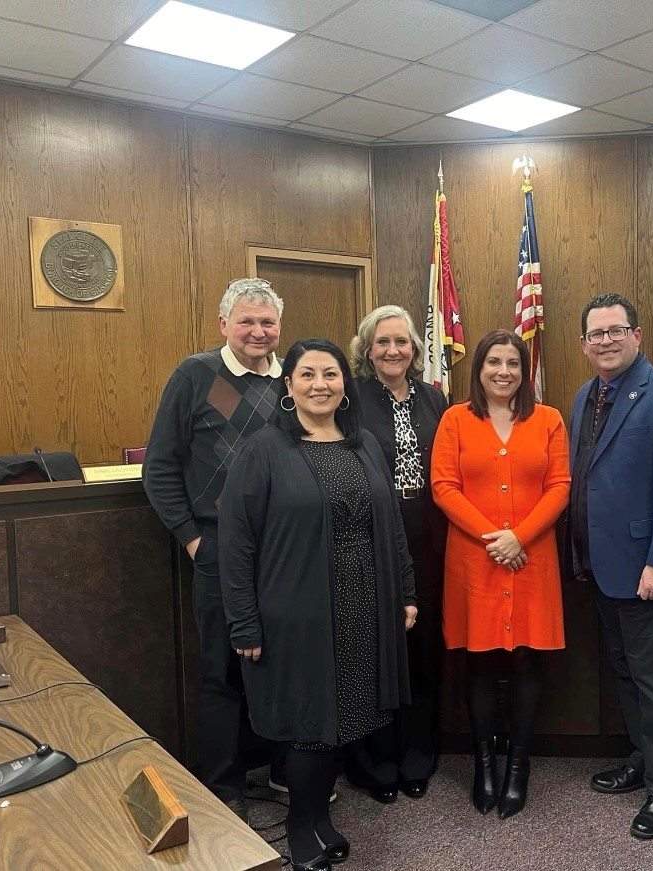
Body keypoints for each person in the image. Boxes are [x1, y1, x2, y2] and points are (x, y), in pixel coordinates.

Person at [218, 338, 416, 871]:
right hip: (295, 612)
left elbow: (392, 526)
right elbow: (236, 543)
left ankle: (321, 820)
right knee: (309, 723)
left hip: (362, 607)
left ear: (344, 385)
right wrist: (244, 623)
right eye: (307, 375)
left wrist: (406, 591)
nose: (320, 384)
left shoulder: (365, 445)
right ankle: (299, 829)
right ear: (289, 386)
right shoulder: (264, 450)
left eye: (330, 374)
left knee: (346, 717)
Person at [143, 277, 283, 821]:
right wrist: (195, 540)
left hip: (283, 553)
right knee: (222, 672)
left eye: (266, 322)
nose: (257, 331)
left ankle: (280, 772)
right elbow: (159, 468)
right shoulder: (196, 375)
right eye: (246, 321)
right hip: (218, 548)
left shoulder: (293, 381)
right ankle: (224, 787)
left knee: (282, 664)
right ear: (224, 324)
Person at [570, 293, 653, 840]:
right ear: (583, 344)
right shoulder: (585, 395)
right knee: (626, 674)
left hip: (651, 571)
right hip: (602, 566)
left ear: (638, 335)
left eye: (615, 330)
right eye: (595, 333)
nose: (605, 340)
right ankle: (645, 759)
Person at [431, 329, 570, 820]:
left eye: (513, 362)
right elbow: (444, 487)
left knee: (527, 664)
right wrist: (496, 538)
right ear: (479, 369)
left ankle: (518, 766)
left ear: (523, 370)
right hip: (476, 562)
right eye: (494, 362)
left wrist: (520, 537)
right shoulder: (454, 419)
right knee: (481, 663)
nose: (504, 371)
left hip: (531, 561)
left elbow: (559, 487)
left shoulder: (549, 419)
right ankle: (483, 765)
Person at [343, 305, 448, 804]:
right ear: (367, 349)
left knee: (422, 647)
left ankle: (417, 755)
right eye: (382, 342)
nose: (392, 350)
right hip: (369, 537)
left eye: (402, 342)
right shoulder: (352, 399)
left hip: (427, 536)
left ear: (415, 348)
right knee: (372, 648)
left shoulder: (435, 398)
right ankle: (373, 760)